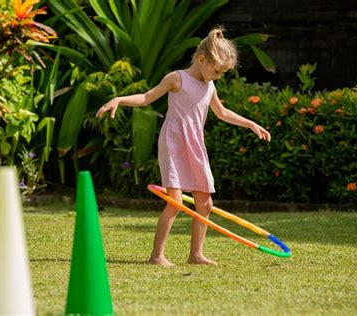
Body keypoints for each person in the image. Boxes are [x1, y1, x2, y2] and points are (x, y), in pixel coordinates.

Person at [96, 26, 271, 266]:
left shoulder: (209, 86)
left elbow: (222, 112)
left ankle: (196, 255)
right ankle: (157, 256)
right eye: (217, 70)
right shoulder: (177, 78)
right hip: (174, 143)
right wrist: (119, 99)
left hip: (195, 145)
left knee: (205, 203)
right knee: (175, 202)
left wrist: (250, 123)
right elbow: (147, 98)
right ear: (202, 59)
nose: (219, 76)